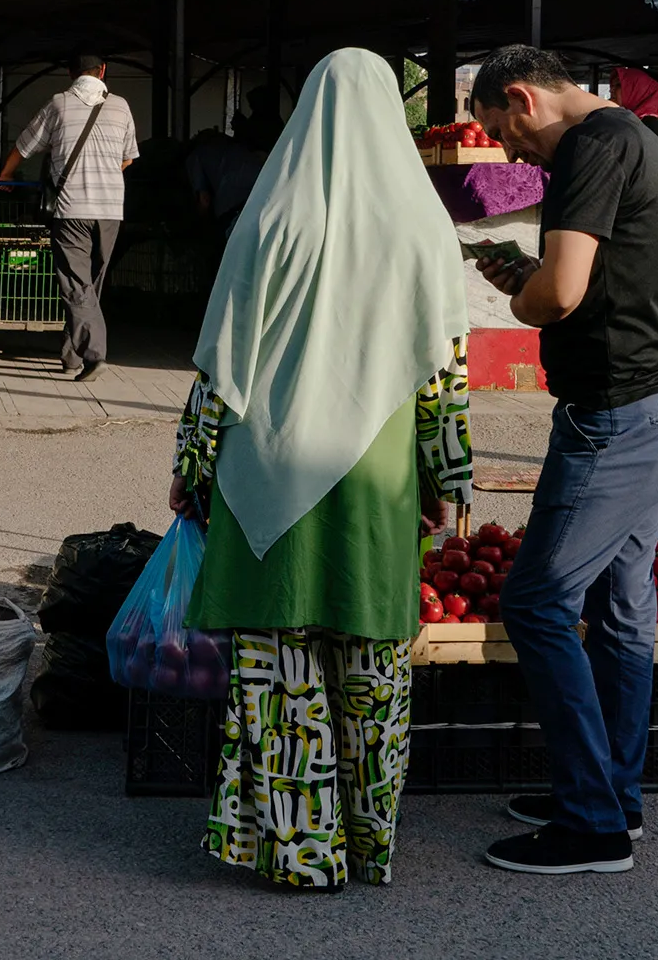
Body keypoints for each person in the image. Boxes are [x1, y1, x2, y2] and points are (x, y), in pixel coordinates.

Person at [166, 48, 472, 891]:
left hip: (269, 475)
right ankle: (372, 845)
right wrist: (449, 479)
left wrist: (191, 461)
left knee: (279, 681)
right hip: (376, 480)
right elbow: (443, 373)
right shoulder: (421, 224)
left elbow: (221, 362)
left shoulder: (272, 215)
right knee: (373, 675)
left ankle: (299, 852)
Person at [468, 44, 658, 875]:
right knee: (619, 605)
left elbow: (562, 294)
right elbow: (603, 276)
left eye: (502, 130)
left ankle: (591, 823)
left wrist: (518, 292)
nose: (507, 153)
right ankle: (615, 796)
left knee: (535, 602)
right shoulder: (638, 137)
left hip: (617, 413)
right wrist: (537, 272)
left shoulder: (588, 149)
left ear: (524, 98)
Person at [0, 56, 139, 380]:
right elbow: (128, 159)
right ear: (103, 71)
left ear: (70, 73)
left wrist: (5, 174)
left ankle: (94, 354)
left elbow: (25, 144)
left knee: (77, 284)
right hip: (111, 211)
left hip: (73, 208)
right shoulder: (121, 107)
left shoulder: (59, 103)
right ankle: (72, 355)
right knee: (91, 284)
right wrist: (105, 177)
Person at [182, 127, 263, 239]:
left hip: (231, 200)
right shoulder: (238, 148)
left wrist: (198, 224)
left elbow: (204, 200)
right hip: (262, 190)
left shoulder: (196, 156)